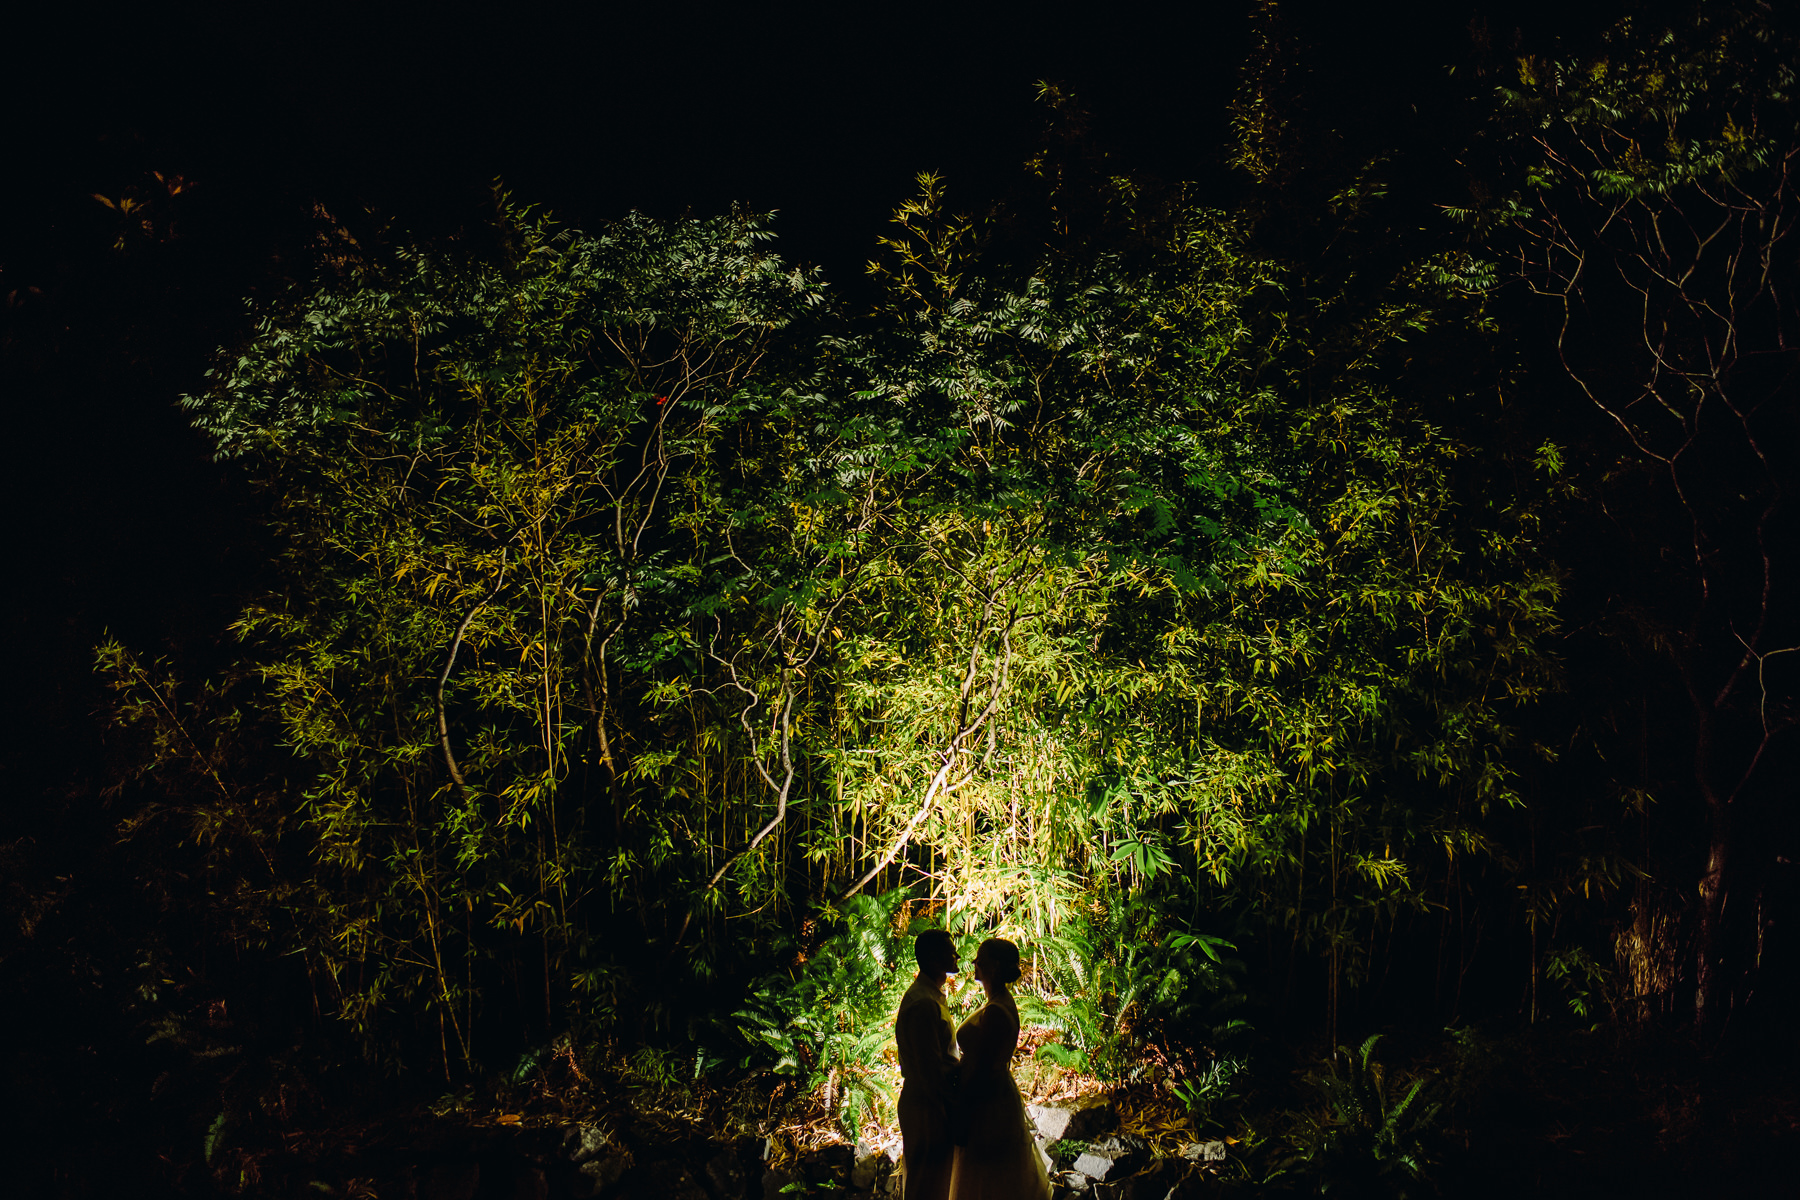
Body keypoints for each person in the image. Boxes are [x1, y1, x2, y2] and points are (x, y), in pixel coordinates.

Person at [948, 937, 1051, 1200]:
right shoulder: (996, 1002)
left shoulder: (996, 1010)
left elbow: (983, 1066)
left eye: (980, 958)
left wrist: (964, 1108)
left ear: (993, 966)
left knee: (987, 1180)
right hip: (991, 1096)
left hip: (986, 1103)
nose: (974, 962)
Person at [895, 929, 961, 1200]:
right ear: (934, 960)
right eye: (949, 951)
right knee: (927, 1185)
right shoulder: (923, 1003)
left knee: (936, 1183)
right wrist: (947, 1110)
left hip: (930, 1101)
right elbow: (929, 1068)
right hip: (927, 1105)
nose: (956, 955)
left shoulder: (931, 996)